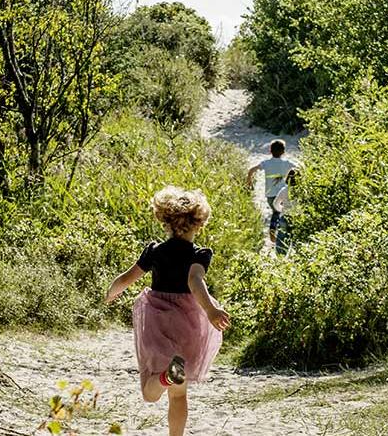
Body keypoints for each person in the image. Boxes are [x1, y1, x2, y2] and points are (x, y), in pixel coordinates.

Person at [105, 186, 231, 436]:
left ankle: (164, 377)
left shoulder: (155, 251)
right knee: (179, 393)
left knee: (150, 393)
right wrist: (211, 310)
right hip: (188, 323)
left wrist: (111, 292)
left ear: (165, 221)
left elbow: (128, 277)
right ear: (199, 223)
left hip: (158, 318)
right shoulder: (200, 254)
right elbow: (195, 281)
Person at [246, 139, 298, 250]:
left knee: (276, 211)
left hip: (270, 195)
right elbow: (300, 168)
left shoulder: (266, 163)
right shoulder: (287, 163)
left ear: (270, 150)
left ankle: (274, 234)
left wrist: (249, 182)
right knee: (281, 213)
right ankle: (280, 236)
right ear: (284, 151)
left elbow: (251, 170)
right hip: (284, 193)